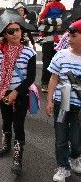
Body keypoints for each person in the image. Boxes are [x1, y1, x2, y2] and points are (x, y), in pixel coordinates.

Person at [0, 9, 36, 175]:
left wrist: (15, 92)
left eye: (18, 29)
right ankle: (6, 145)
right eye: (11, 31)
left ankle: (18, 157)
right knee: (5, 120)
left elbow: (31, 77)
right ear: (4, 34)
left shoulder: (29, 52)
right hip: (4, 93)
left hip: (20, 94)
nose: (16, 33)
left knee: (19, 124)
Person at [46, 19, 81, 181]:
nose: (69, 39)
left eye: (73, 36)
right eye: (69, 36)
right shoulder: (61, 55)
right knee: (61, 137)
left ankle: (75, 157)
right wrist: (49, 101)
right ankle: (62, 167)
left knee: (76, 138)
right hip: (62, 102)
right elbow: (53, 79)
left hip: (79, 107)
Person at [38, 0, 66, 93]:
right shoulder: (63, 7)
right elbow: (64, 20)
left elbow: (41, 18)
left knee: (46, 61)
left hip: (47, 38)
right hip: (58, 39)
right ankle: (54, 83)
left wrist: (46, 21)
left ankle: (45, 83)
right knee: (57, 61)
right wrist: (56, 23)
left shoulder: (49, 5)